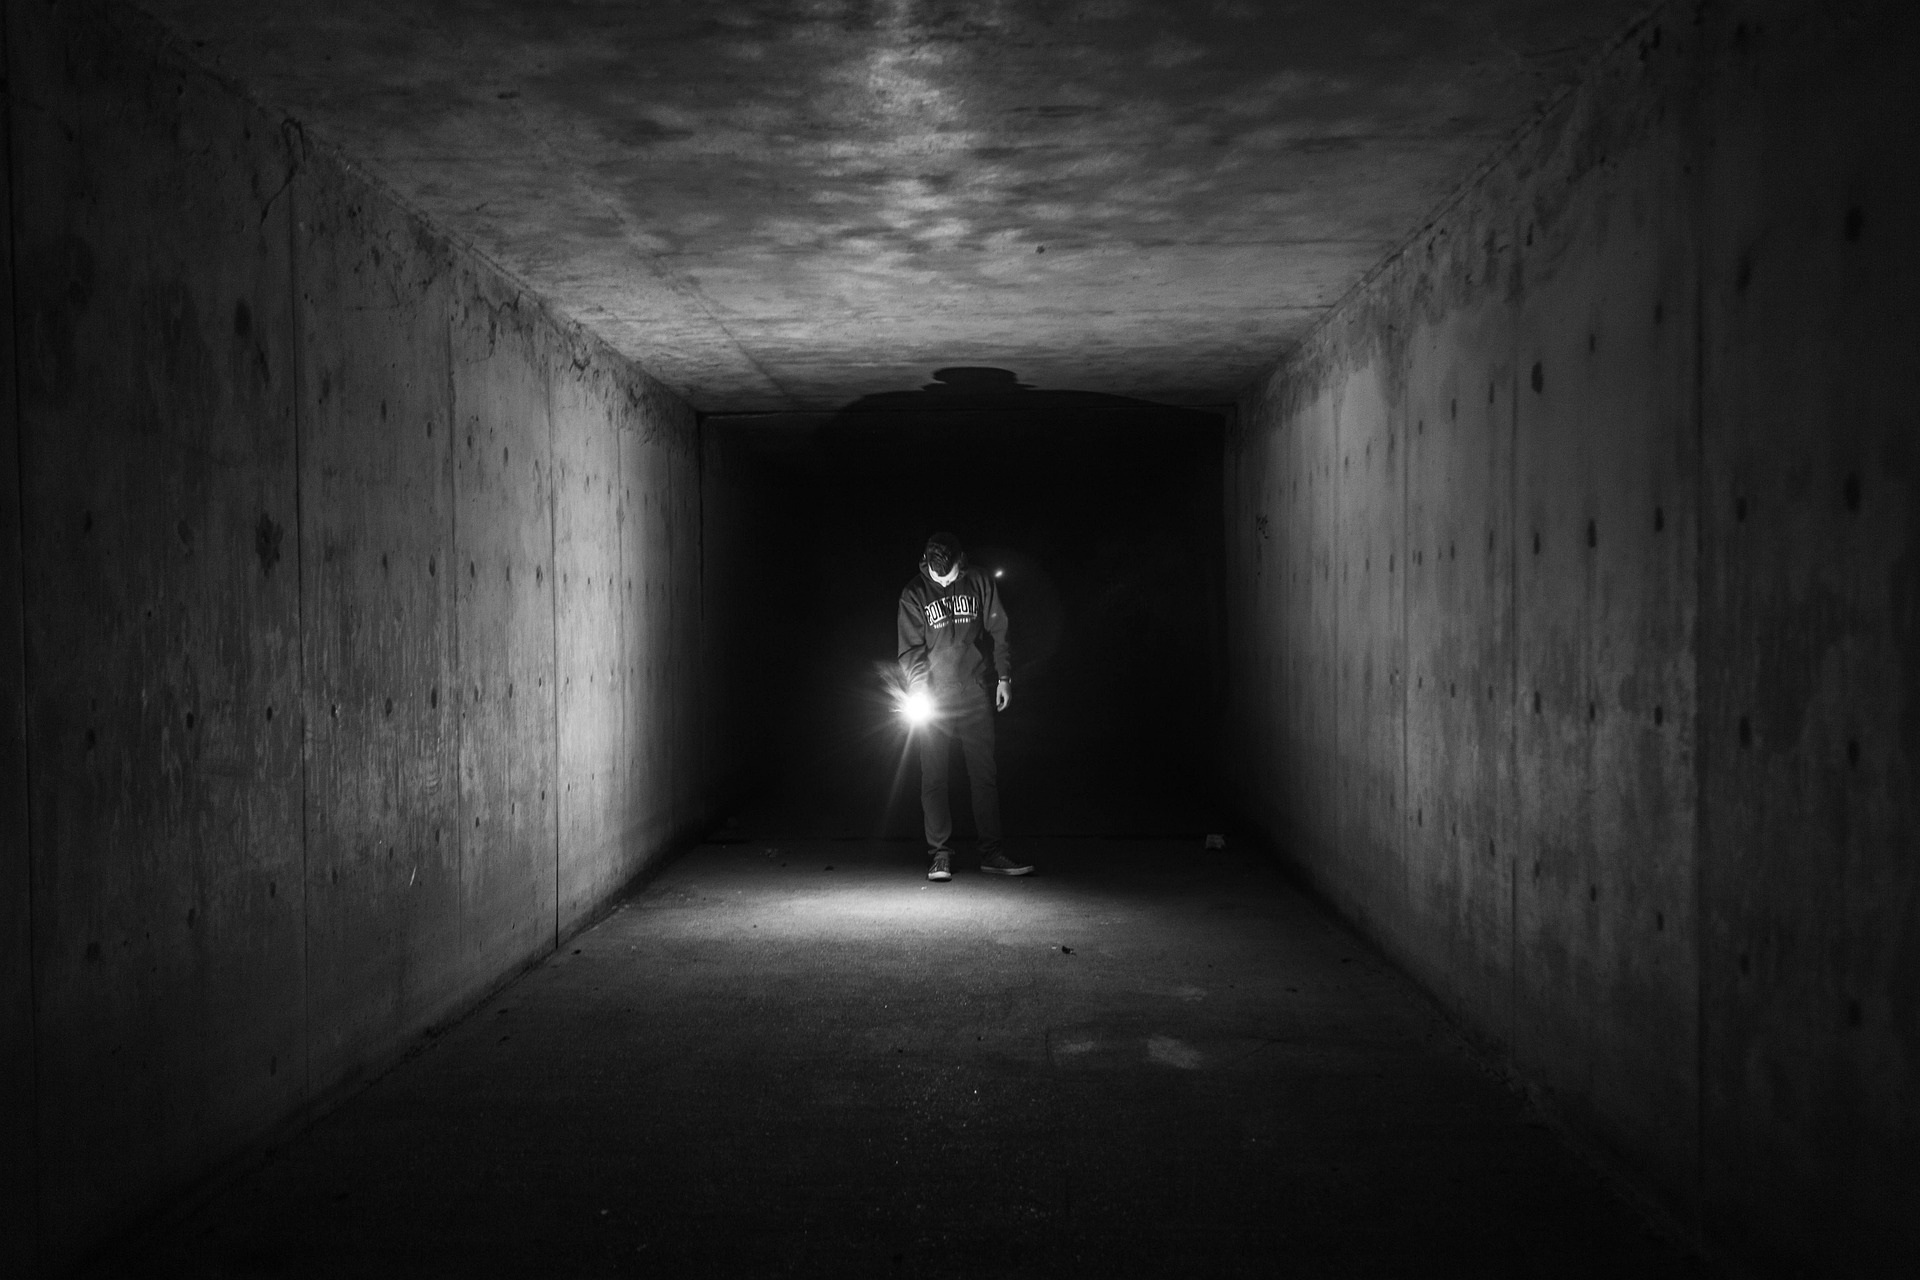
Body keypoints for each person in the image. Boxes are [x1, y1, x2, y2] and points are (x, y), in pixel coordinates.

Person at [897, 532, 1033, 881]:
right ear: (928, 565)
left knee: (984, 774)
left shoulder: (979, 581)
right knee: (934, 776)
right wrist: (917, 694)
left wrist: (1005, 678)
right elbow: (910, 652)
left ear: (962, 559)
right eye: (939, 577)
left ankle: (992, 853)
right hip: (934, 696)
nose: (947, 581)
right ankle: (939, 855)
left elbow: (999, 630)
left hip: (974, 689)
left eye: (952, 574)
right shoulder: (913, 594)